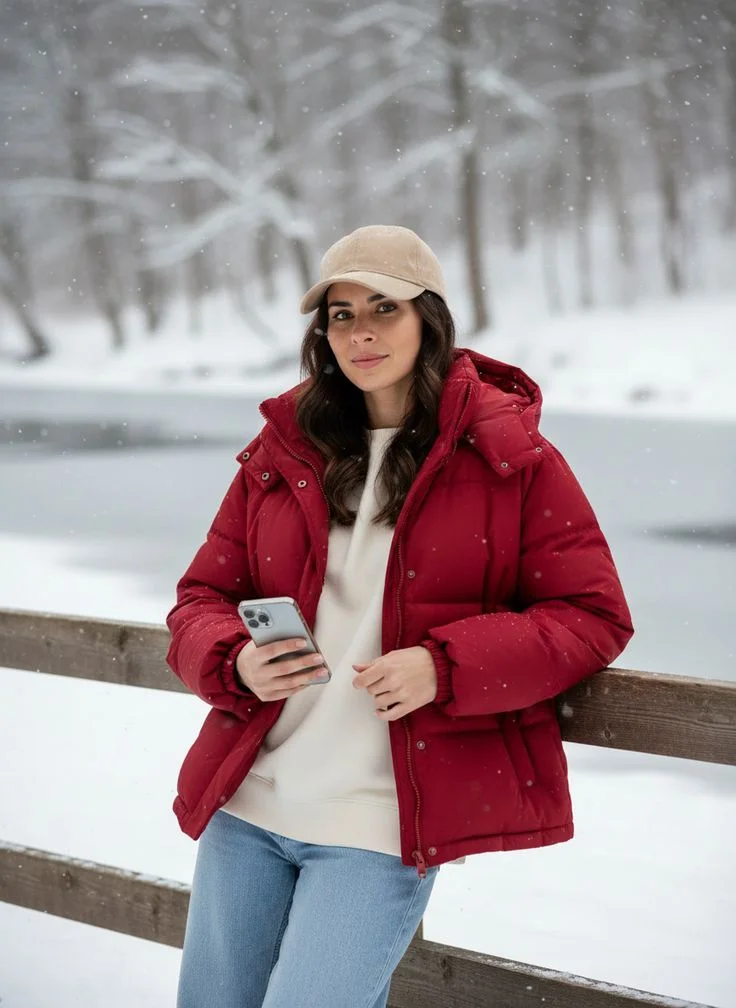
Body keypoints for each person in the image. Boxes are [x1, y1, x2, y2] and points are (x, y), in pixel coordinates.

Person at [167, 224, 634, 1008]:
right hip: (247, 803)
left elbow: (593, 616)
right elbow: (200, 599)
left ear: (430, 318)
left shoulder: (509, 455)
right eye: (341, 315)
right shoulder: (286, 449)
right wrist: (232, 658)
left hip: (379, 825)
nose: (362, 332)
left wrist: (446, 666)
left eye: (384, 306)